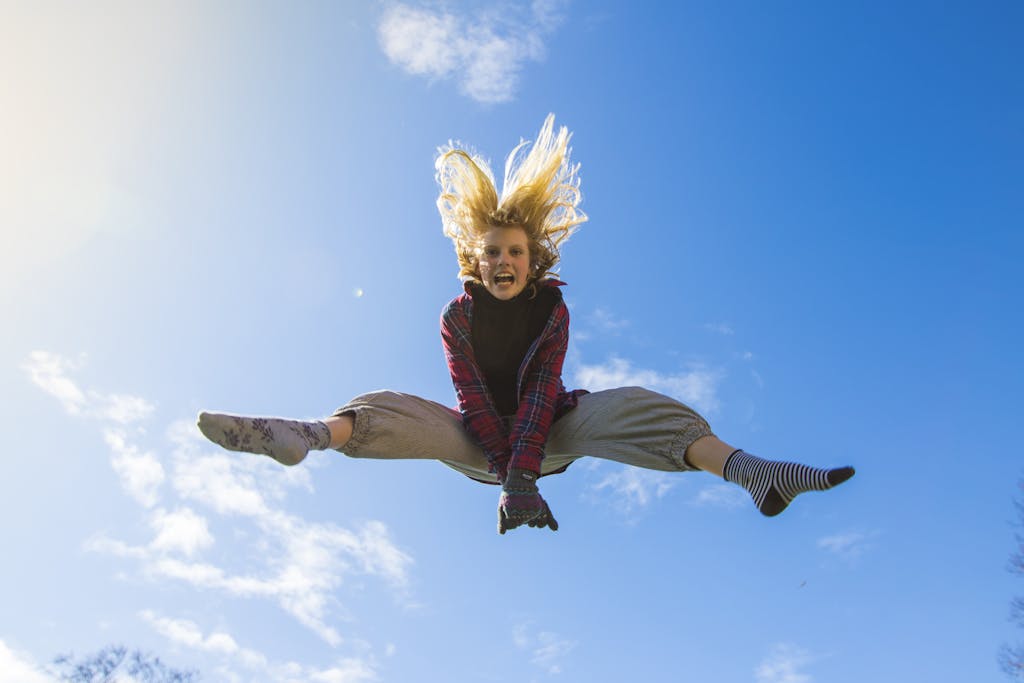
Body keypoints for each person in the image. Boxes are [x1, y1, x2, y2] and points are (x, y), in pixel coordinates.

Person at [197, 115, 854, 534]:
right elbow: (473, 400)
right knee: (399, 408)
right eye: (493, 253)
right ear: (473, 261)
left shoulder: (551, 311)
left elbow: (541, 394)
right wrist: (505, 472)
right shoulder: (458, 318)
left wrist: (525, 479)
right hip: (479, 443)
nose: (505, 261)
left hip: (550, 440)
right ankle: (306, 433)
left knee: (627, 405)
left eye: (515, 252)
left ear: (532, 258)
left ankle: (750, 471)